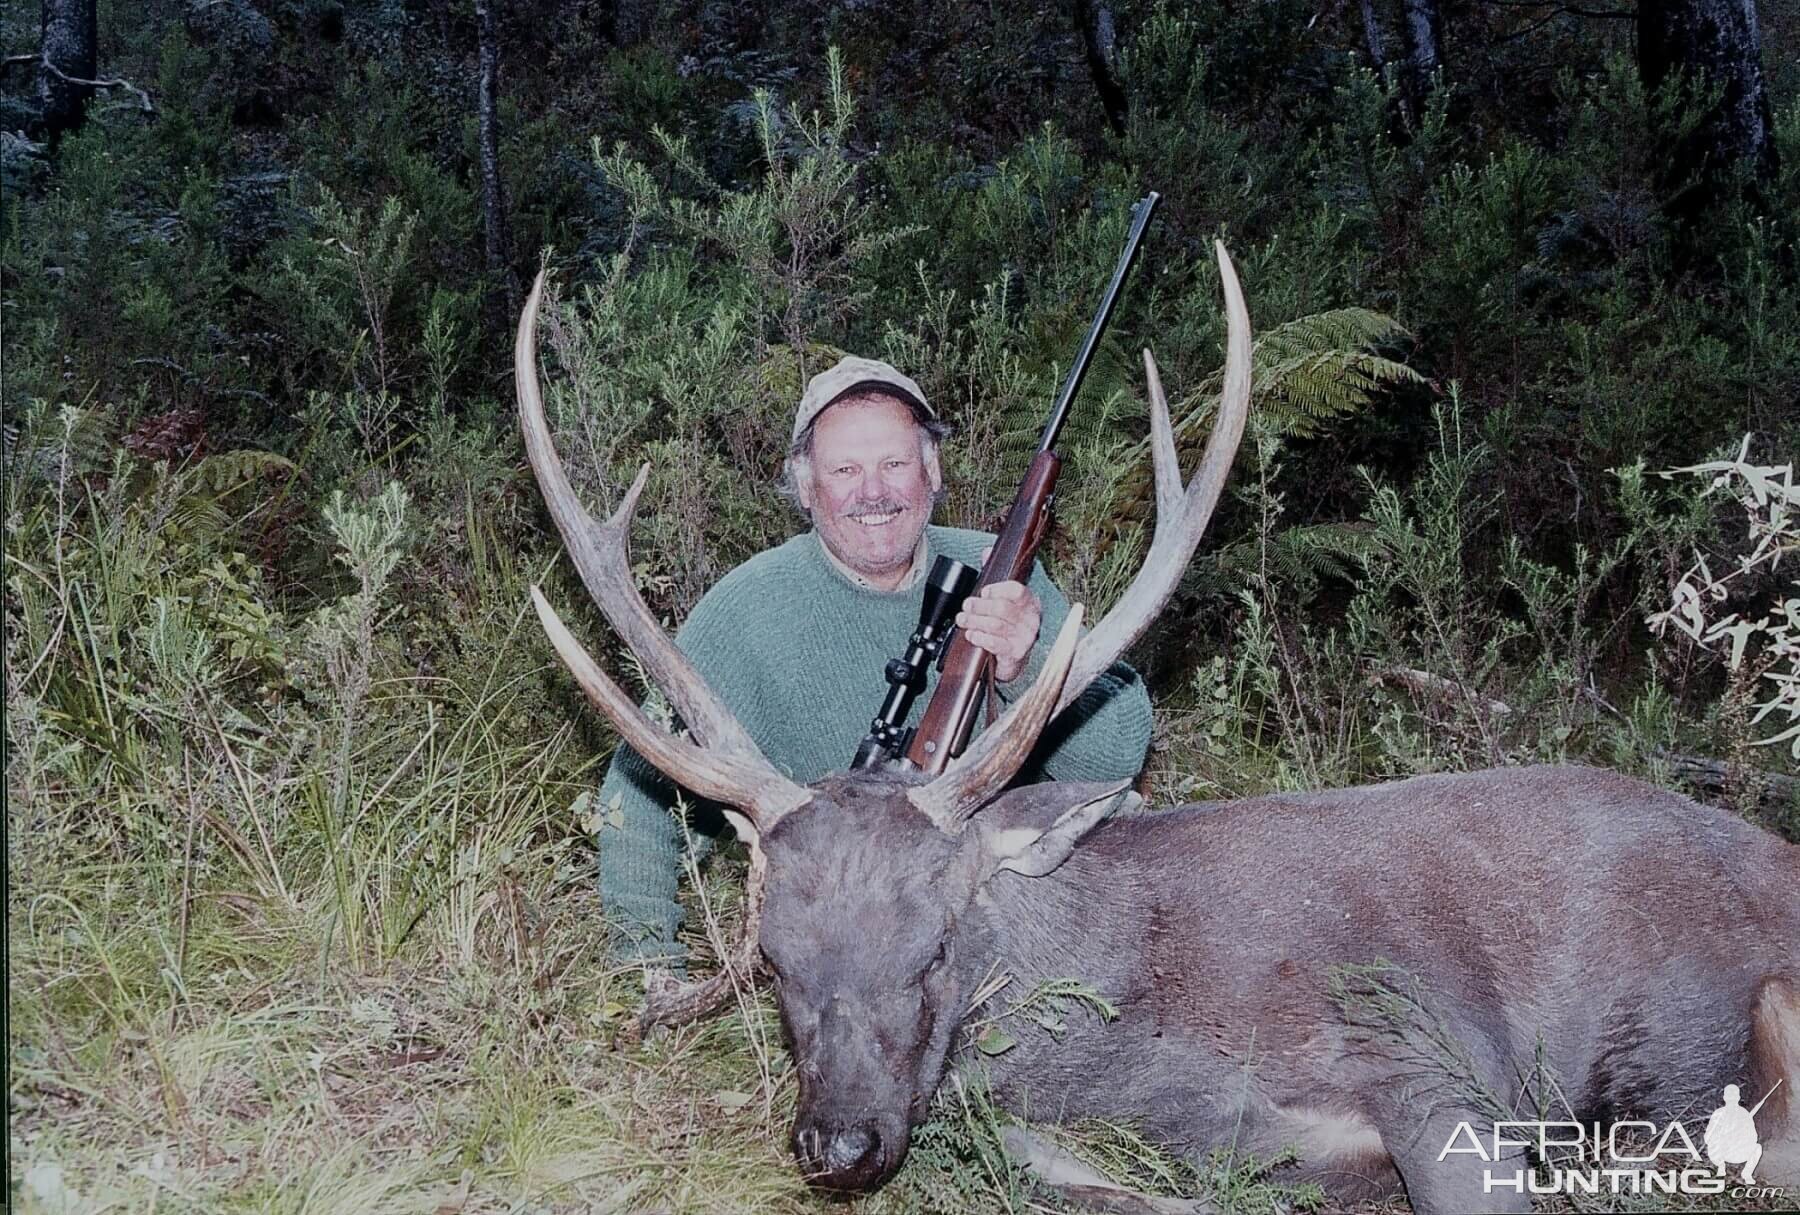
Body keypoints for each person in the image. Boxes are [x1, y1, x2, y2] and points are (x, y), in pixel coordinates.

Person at [597, 354, 1154, 969]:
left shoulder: (1001, 577)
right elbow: (638, 796)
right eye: (845, 470)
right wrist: (647, 970)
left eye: (894, 463)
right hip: (842, 948)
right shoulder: (744, 611)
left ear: (932, 471)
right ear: (806, 488)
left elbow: (1118, 758)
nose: (873, 492)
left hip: (1005, 928)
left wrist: (1028, 666)